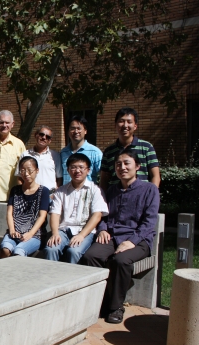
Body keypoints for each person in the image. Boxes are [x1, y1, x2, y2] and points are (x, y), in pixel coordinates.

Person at [81, 148, 159, 324]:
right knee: (91, 256)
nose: (122, 167)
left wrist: (132, 241)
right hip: (112, 236)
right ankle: (100, 301)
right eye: (118, 164)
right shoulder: (111, 191)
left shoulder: (149, 189)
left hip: (139, 239)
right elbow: (102, 215)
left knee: (121, 260)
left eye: (126, 163)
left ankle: (116, 306)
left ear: (137, 166)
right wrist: (102, 229)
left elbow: (149, 222)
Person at [43, 153, 108, 264]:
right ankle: (51, 274)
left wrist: (81, 235)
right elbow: (55, 214)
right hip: (64, 230)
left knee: (74, 251)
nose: (77, 171)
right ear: (68, 170)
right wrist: (55, 233)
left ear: (88, 170)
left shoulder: (95, 190)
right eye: (73, 167)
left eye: (81, 167)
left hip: (85, 231)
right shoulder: (61, 191)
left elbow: (97, 215)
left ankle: (74, 275)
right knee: (51, 249)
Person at [99, 107, 160, 192]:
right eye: (121, 121)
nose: (125, 125)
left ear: (135, 126)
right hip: (115, 197)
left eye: (129, 122)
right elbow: (104, 180)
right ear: (115, 125)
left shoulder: (146, 147)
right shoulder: (109, 151)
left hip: (141, 196)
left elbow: (155, 176)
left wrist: (151, 195)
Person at [0, 156, 51, 258]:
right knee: (5, 249)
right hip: (15, 232)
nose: (26, 174)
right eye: (22, 170)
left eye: (30, 170)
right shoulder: (15, 190)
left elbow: (42, 216)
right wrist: (12, 230)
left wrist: (30, 234)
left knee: (18, 252)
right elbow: (9, 213)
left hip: (35, 235)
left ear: (37, 171)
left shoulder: (44, 191)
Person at [14, 125, 63, 191]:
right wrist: (24, 192)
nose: (44, 137)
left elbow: (59, 178)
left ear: (50, 141)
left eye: (47, 137)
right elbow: (19, 177)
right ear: (36, 135)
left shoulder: (55, 156)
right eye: (41, 134)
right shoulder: (25, 154)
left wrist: (55, 192)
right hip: (30, 194)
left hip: (50, 195)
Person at [60, 115, 102, 185]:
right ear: (68, 131)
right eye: (72, 128)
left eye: (79, 128)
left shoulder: (95, 152)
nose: (76, 131)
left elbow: (104, 175)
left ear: (85, 131)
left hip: (88, 191)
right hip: (66, 191)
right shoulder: (63, 153)